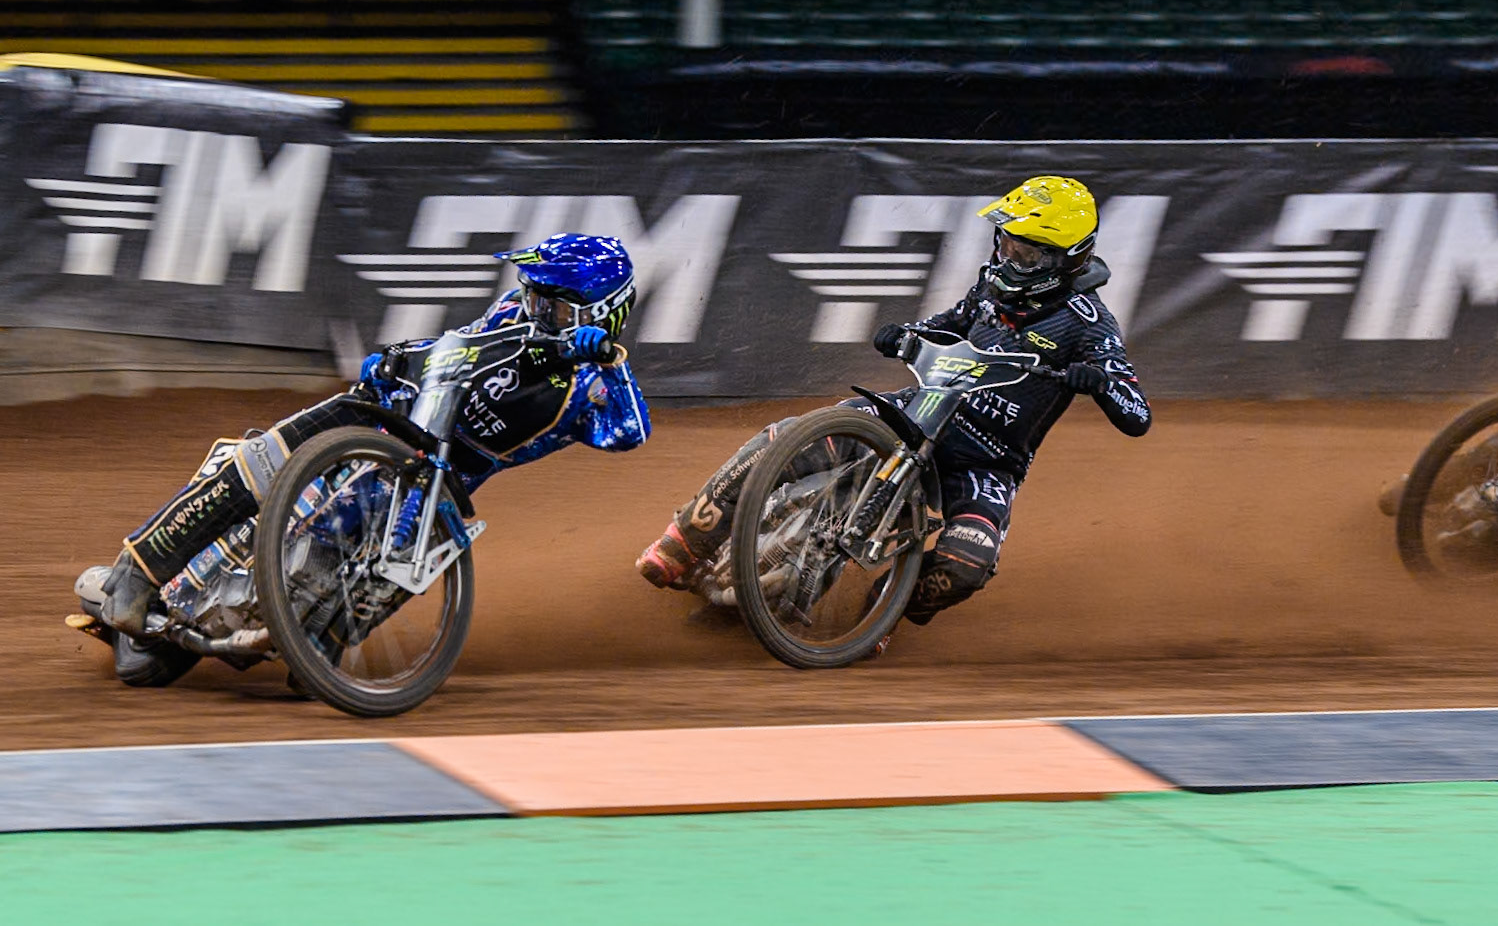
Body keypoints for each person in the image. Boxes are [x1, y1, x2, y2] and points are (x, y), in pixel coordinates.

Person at [82, 233, 651, 680]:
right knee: (271, 452)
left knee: (425, 545)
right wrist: (401, 358)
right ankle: (140, 569)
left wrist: (607, 359)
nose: (533, 308)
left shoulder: (596, 392)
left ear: (599, 314)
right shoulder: (514, 312)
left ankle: (320, 649)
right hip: (395, 413)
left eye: (550, 305)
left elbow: (633, 432)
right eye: (531, 294)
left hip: (449, 476)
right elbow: (460, 343)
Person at [634, 176, 1150, 652]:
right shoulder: (991, 286)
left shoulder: (1089, 326)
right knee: (791, 438)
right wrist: (906, 333)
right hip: (920, 413)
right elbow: (948, 324)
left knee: (967, 565)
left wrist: (1101, 383)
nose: (1011, 257)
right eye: (1008, 243)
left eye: (1028, 252)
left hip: (986, 463)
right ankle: (685, 543)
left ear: (1068, 259)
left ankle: (879, 613)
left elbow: (1137, 415)